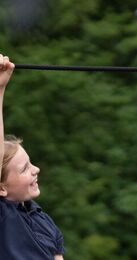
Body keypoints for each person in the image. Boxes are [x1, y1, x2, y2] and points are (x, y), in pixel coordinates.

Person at [0, 54, 65, 260]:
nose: (36, 169)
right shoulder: (3, 216)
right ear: (1, 187)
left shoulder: (44, 221)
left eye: (30, 164)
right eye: (24, 169)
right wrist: (0, 89)